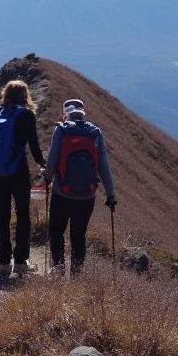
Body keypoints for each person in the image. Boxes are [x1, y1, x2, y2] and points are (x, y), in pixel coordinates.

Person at [44, 98, 117, 275]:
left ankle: (58, 269)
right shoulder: (95, 132)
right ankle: (76, 275)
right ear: (83, 113)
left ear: (65, 114)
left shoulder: (61, 130)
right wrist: (111, 195)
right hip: (87, 196)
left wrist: (46, 179)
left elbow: (52, 160)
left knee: (56, 231)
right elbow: (104, 167)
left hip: (62, 192)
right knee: (78, 235)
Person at [0, 79, 45, 277]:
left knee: (2, 215)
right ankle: (21, 261)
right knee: (23, 214)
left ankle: (3, 262)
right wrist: (44, 166)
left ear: (5, 93)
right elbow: (34, 145)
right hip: (18, 170)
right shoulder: (25, 115)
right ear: (25, 96)